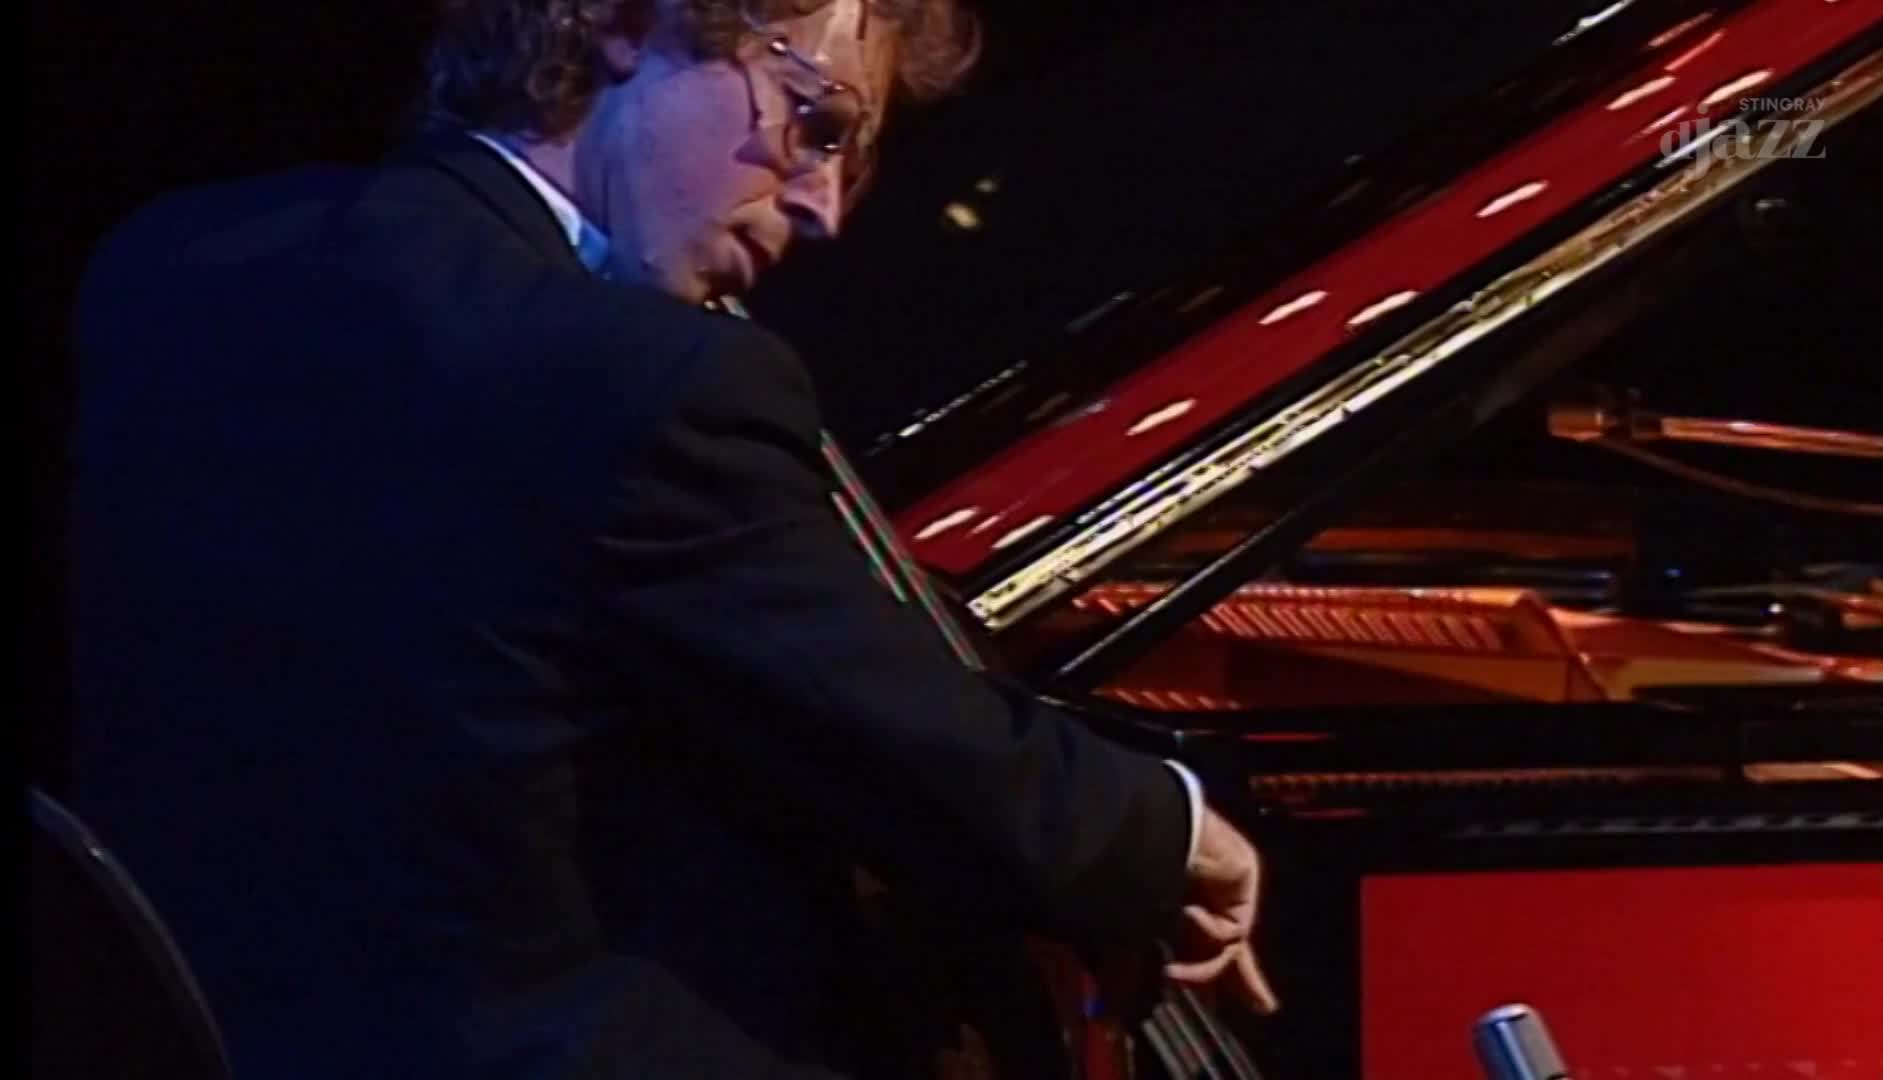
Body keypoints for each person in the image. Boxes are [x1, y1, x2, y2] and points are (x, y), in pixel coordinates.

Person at [64, 0, 1276, 1076]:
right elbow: (913, 748)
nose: (822, 208)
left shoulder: (172, 264)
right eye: (818, 126)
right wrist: (1165, 831)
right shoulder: (641, 380)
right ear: (624, 27)